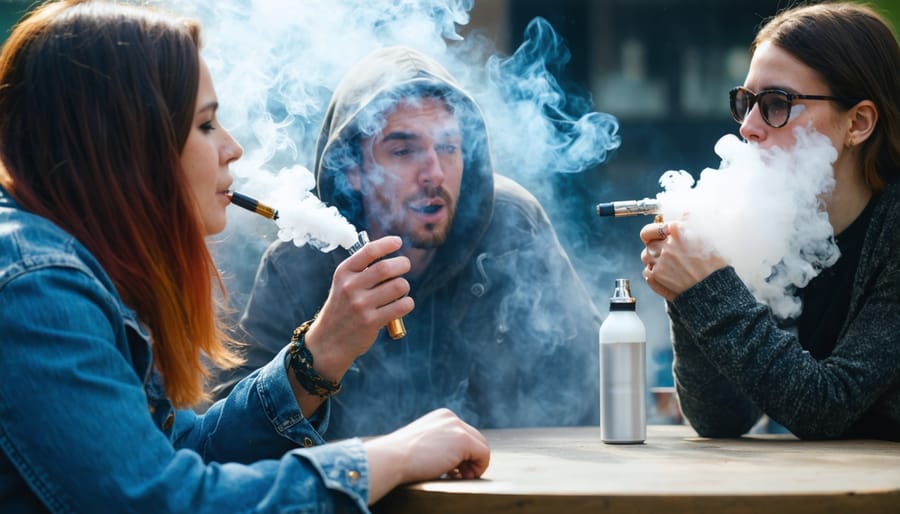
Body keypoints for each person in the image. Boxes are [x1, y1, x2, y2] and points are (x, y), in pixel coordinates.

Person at [0, 1, 490, 512]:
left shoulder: (69, 271)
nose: (232, 148)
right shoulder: (36, 289)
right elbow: (161, 502)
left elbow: (186, 453)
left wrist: (317, 355)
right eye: (207, 124)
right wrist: (390, 456)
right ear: (125, 143)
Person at [213, 46, 601, 439]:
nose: (434, 172)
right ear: (352, 170)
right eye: (404, 150)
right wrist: (319, 349)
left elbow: (597, 384)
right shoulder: (297, 266)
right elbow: (228, 438)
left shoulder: (512, 229)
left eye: (449, 147)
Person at [641, 2, 900, 440]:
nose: (749, 127)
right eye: (745, 103)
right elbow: (722, 418)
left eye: (777, 104)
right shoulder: (777, 225)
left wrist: (709, 286)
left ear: (857, 123)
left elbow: (826, 407)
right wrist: (688, 285)